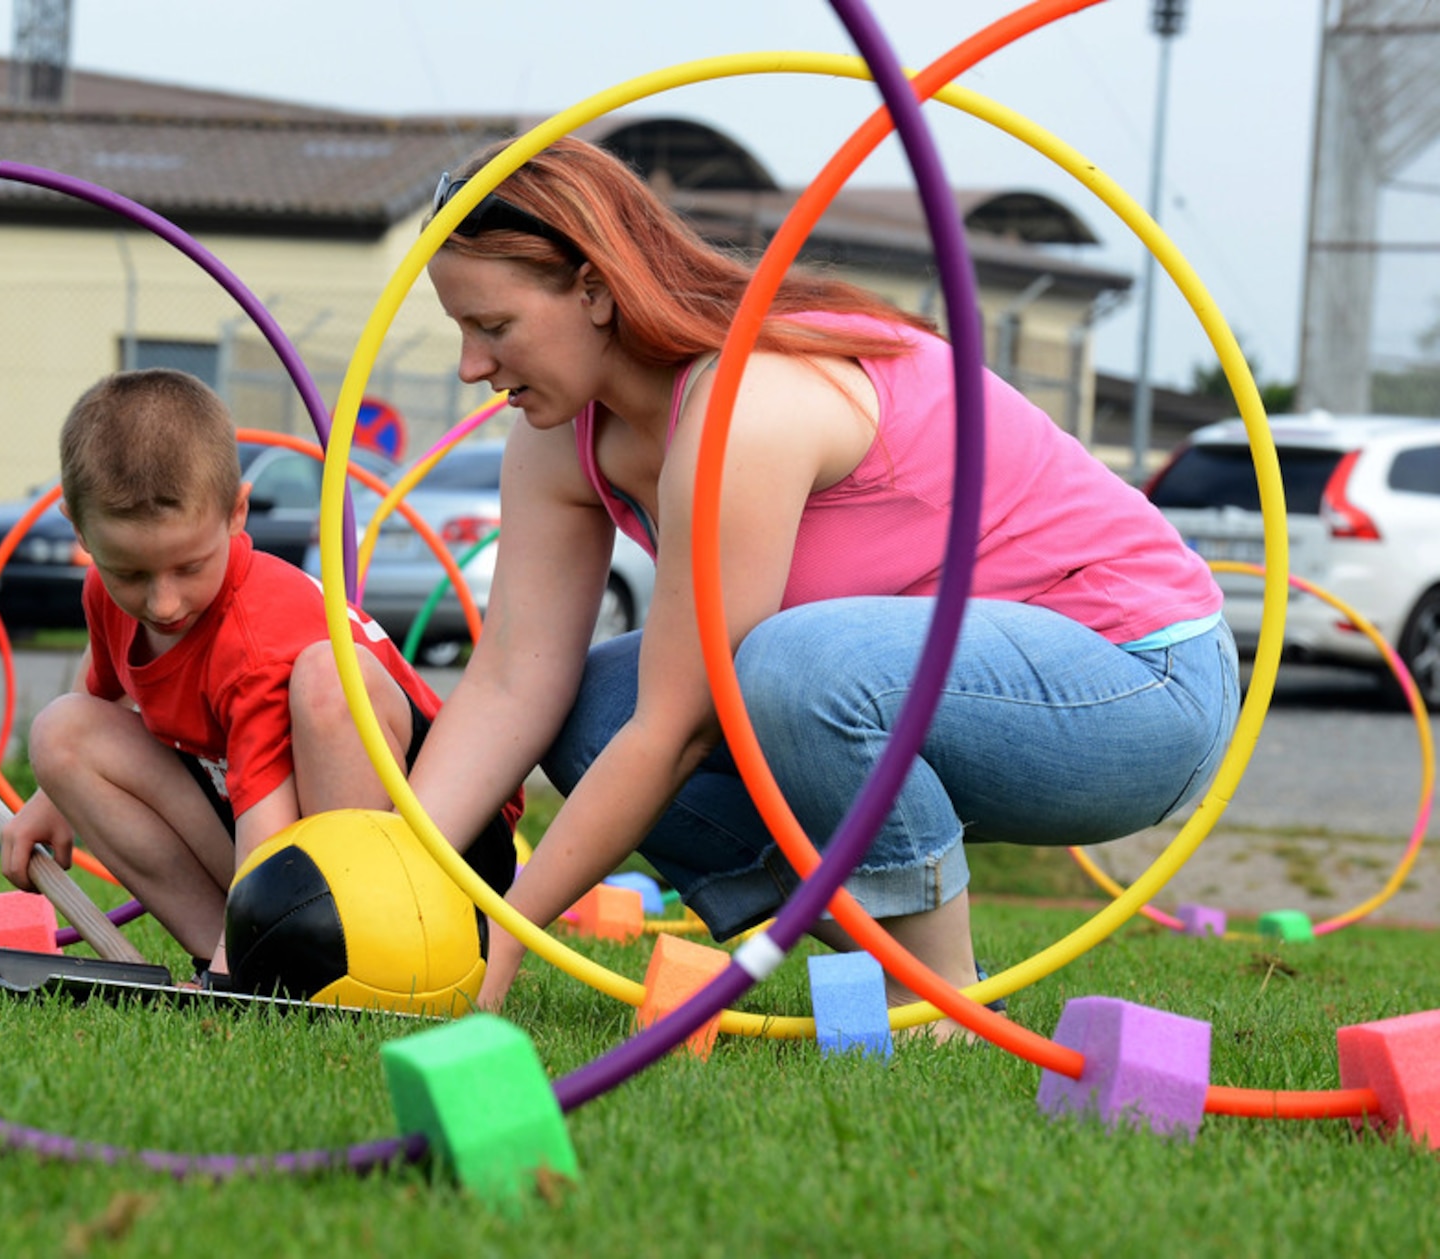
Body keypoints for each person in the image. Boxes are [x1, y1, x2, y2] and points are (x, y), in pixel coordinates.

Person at [402, 138, 1239, 1031]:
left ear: (598, 291)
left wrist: (502, 943)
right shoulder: (557, 431)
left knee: (786, 669)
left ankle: (937, 995)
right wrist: (398, 871)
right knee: (591, 706)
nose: (471, 367)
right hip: (918, 688)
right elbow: (511, 680)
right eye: (462, 331)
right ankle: (891, 943)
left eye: (493, 328)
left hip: (1138, 684)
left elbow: (683, 724)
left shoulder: (749, 405)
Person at [0, 368, 518, 984]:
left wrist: (226, 980)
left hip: (441, 848)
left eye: (189, 566)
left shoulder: (255, 638)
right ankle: (244, 954)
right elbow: (102, 689)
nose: (162, 602)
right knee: (62, 731)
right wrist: (51, 795)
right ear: (79, 530)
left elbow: (266, 830)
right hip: (283, 836)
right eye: (131, 574)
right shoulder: (106, 595)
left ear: (237, 513)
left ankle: (307, 950)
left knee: (329, 680)